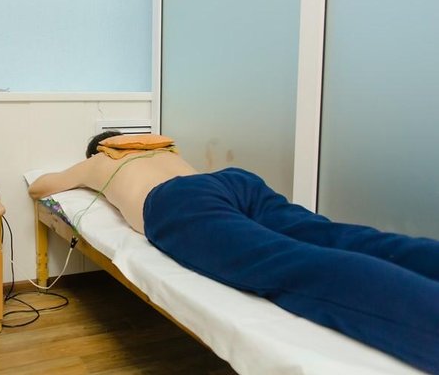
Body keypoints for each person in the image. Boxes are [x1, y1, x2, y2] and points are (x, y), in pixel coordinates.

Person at [28, 131, 439, 374]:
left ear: (104, 147)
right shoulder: (165, 150)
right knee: (337, 236)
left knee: (290, 262)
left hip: (177, 203)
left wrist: (84, 172)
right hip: (236, 182)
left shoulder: (101, 161)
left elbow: (41, 187)